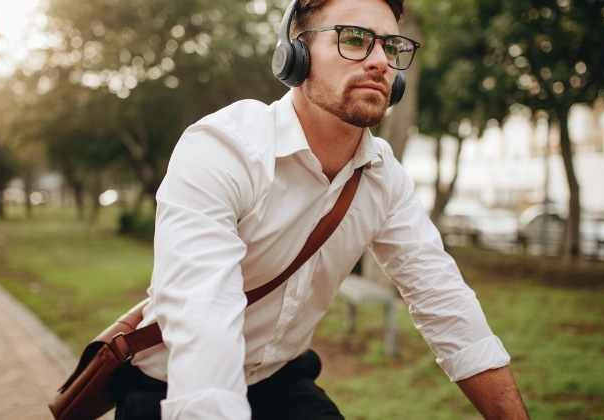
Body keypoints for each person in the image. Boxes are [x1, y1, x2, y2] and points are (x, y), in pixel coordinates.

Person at [116, 0, 530, 419]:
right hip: (171, 387)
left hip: (279, 382)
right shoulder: (222, 150)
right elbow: (204, 324)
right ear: (295, 53)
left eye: (390, 46)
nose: (380, 62)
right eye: (355, 39)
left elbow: (446, 304)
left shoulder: (384, 176)